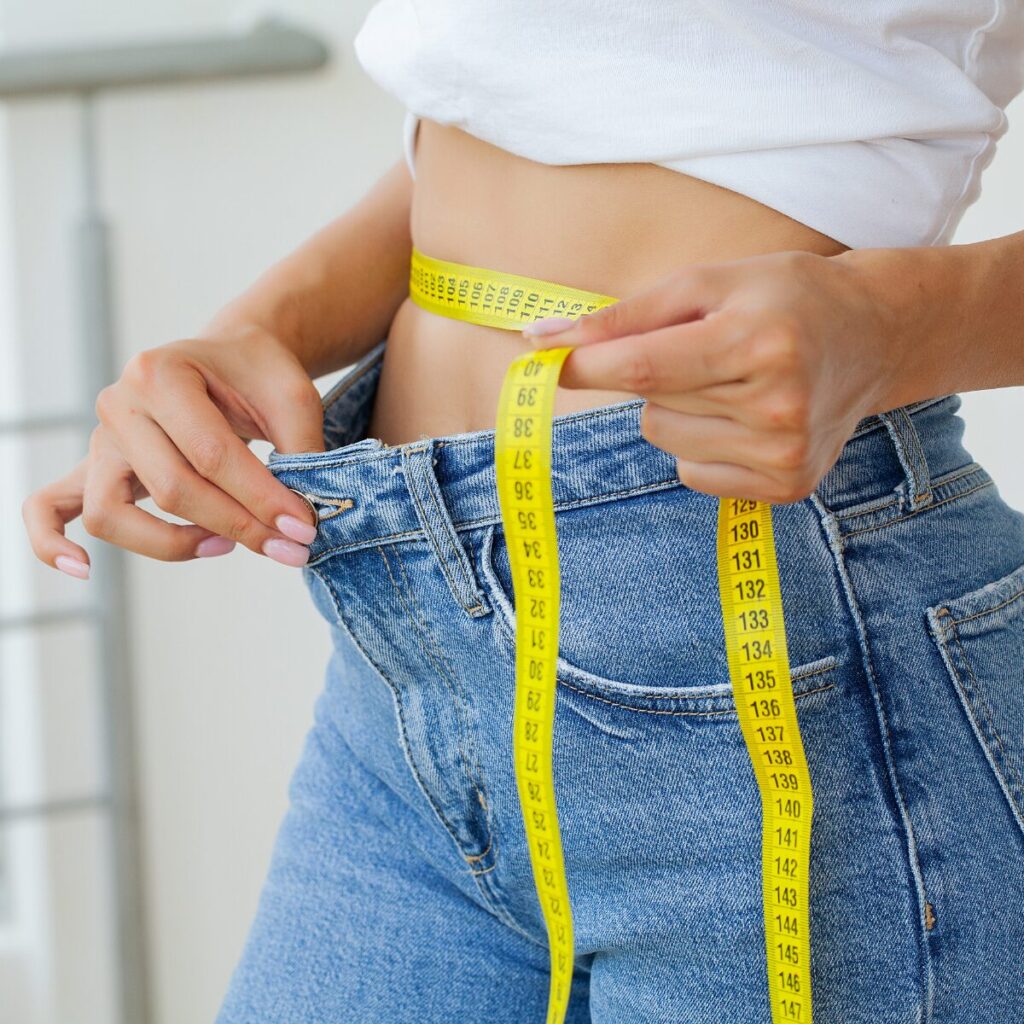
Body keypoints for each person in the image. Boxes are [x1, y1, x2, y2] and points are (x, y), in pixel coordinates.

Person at [21, 3, 1024, 1021]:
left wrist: (892, 326)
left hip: (772, 640)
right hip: (402, 676)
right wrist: (256, 330)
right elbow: (521, 109)